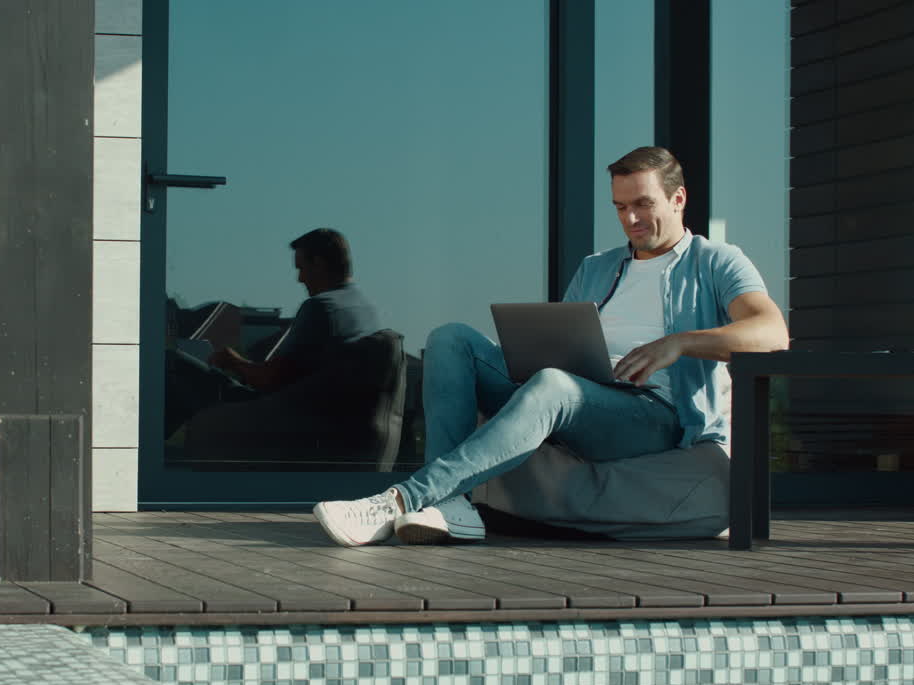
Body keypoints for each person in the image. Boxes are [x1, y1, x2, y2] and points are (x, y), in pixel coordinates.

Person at [313, 146, 789, 547]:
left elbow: (772, 333)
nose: (631, 219)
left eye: (642, 204)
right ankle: (452, 504)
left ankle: (401, 501)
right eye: (620, 208)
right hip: (579, 396)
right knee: (450, 338)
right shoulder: (597, 267)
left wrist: (680, 344)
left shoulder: (715, 262)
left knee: (555, 385)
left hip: (652, 415)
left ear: (678, 198)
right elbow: (564, 345)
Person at [165, 228, 380, 438]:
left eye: (301, 268)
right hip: (324, 420)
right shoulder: (366, 310)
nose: (300, 279)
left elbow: (270, 380)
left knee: (170, 363)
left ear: (319, 264)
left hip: (283, 417)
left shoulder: (322, 307)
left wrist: (233, 360)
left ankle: (148, 458)